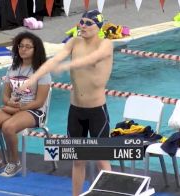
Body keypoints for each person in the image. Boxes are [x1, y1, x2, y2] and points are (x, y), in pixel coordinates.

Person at [20, 9, 113, 196]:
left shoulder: (106, 45)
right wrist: (33, 78)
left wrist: (67, 65)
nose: (83, 26)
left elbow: (91, 59)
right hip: (76, 111)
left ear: (98, 27)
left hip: (97, 111)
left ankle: (111, 193)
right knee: (77, 159)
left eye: (88, 23)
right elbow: (54, 60)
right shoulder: (74, 42)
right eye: (82, 22)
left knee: (101, 158)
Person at [0, 31, 51, 177]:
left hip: (34, 111)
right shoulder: (13, 68)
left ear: (36, 50)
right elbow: (5, 96)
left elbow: (40, 101)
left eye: (28, 47)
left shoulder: (42, 71)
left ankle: (15, 163)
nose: (23, 49)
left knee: (9, 126)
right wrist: (9, 103)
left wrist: (20, 108)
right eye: (21, 46)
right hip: (13, 108)